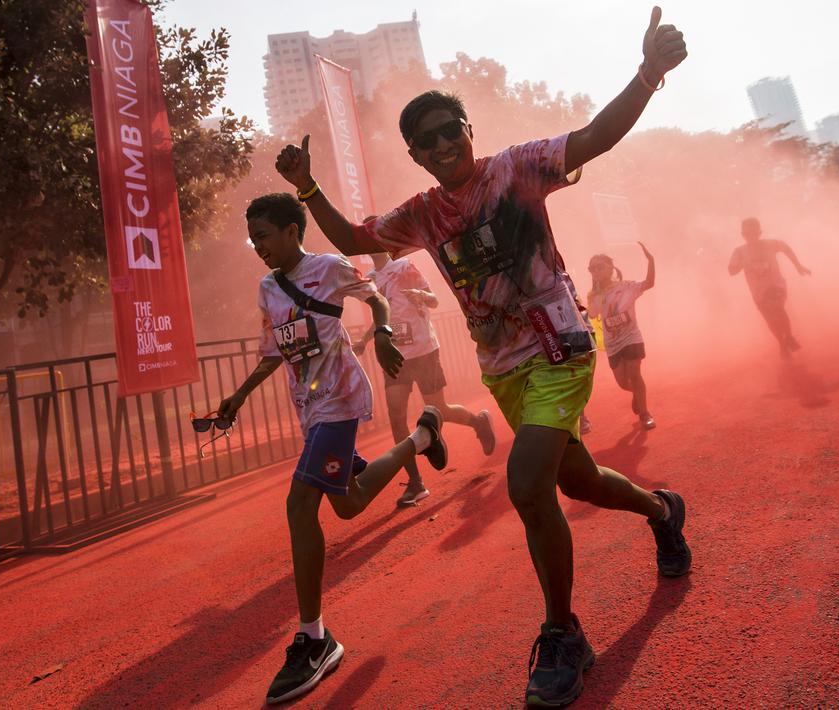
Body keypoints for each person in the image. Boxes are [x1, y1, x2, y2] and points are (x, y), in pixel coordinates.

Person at [274, 8, 691, 706]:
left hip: (559, 346)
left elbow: (594, 136)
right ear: (413, 154)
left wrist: (648, 73)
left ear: (468, 132)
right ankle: (660, 511)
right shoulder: (420, 213)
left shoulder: (519, 167)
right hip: (503, 369)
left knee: (527, 486)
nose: (440, 145)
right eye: (423, 141)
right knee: (578, 482)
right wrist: (308, 187)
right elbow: (353, 235)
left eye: (448, 131)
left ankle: (563, 637)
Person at [217, 193, 451, 705]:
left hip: (341, 397)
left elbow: (376, 298)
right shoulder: (267, 287)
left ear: (292, 231)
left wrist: (384, 333)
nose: (258, 246)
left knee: (300, 503)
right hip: (309, 407)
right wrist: (236, 397)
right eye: (253, 239)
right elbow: (272, 352)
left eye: (264, 235)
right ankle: (423, 437)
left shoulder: (328, 267)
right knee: (348, 503)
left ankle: (314, 638)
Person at [353, 250, 497, 506]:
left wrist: (420, 295)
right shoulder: (371, 279)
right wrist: (365, 342)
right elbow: (381, 318)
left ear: (384, 244)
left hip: (422, 349)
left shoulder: (404, 267)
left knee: (439, 408)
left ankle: (478, 422)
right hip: (395, 355)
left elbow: (434, 301)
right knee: (397, 416)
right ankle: (416, 483)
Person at [585, 243, 657, 429]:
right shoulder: (594, 295)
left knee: (634, 371)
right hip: (613, 343)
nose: (596, 271)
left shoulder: (627, 287)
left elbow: (649, 284)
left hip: (632, 336)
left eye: (599, 267)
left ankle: (644, 413)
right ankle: (637, 395)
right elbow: (592, 314)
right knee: (623, 382)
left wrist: (651, 261)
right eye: (592, 269)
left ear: (610, 268)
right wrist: (596, 295)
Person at [727, 217, 811, 359]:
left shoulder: (770, 244)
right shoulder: (740, 252)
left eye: (754, 233)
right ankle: (782, 343)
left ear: (759, 233)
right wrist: (739, 265)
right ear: (743, 235)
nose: (751, 237)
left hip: (775, 285)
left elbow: (786, 249)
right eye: (748, 234)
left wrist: (798, 265)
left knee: (778, 309)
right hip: (758, 291)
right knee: (770, 320)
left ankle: (789, 337)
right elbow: (731, 271)